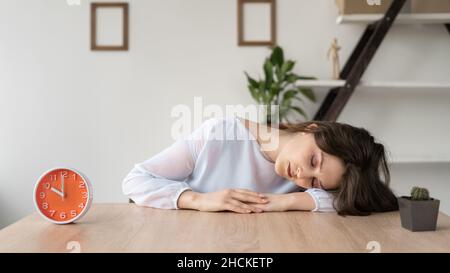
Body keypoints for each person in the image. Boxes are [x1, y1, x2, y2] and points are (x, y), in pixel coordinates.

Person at [122, 116, 399, 216]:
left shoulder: (301, 185)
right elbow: (135, 180)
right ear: (312, 130)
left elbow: (352, 201)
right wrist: (197, 199)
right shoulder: (219, 134)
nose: (303, 176)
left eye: (315, 183)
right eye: (314, 161)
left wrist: (285, 202)